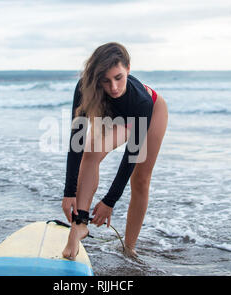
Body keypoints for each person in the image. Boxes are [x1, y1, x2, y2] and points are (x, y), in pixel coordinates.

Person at [61, 42, 168, 260]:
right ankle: (79, 226)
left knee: (140, 180)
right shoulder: (85, 87)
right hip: (115, 117)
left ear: (128, 68)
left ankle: (129, 248)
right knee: (90, 154)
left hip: (149, 113)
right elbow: (76, 142)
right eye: (106, 80)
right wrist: (69, 191)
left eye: (119, 77)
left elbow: (131, 156)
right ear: (96, 78)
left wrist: (110, 201)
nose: (114, 87)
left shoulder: (142, 100)